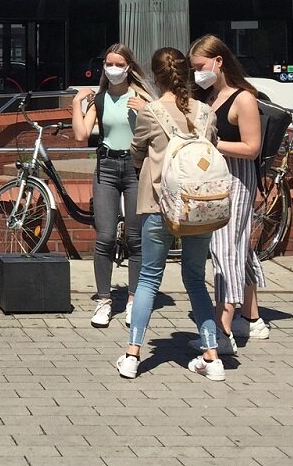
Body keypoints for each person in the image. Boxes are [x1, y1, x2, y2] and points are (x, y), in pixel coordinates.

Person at [117, 47, 224, 381]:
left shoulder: (150, 112)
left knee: (149, 276)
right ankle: (212, 356)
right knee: (195, 279)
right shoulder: (206, 112)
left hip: (158, 203)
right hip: (199, 206)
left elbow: (137, 152)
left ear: (154, 76)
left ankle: (133, 355)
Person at [190, 34, 270, 346]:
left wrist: (213, 143)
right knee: (238, 247)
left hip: (236, 181)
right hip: (215, 178)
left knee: (224, 248)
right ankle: (251, 318)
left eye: (201, 66)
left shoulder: (244, 98)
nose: (198, 73)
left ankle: (221, 330)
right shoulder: (210, 98)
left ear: (219, 62)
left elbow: (252, 148)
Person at [70, 44, 152, 329]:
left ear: (129, 66)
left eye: (118, 64)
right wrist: (76, 104)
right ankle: (104, 300)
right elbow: (81, 135)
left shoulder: (140, 97)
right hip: (106, 166)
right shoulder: (101, 98)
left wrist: (146, 111)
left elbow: (161, 130)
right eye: (108, 63)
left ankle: (133, 301)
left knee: (134, 238)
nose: (112, 69)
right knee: (104, 236)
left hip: (135, 168)